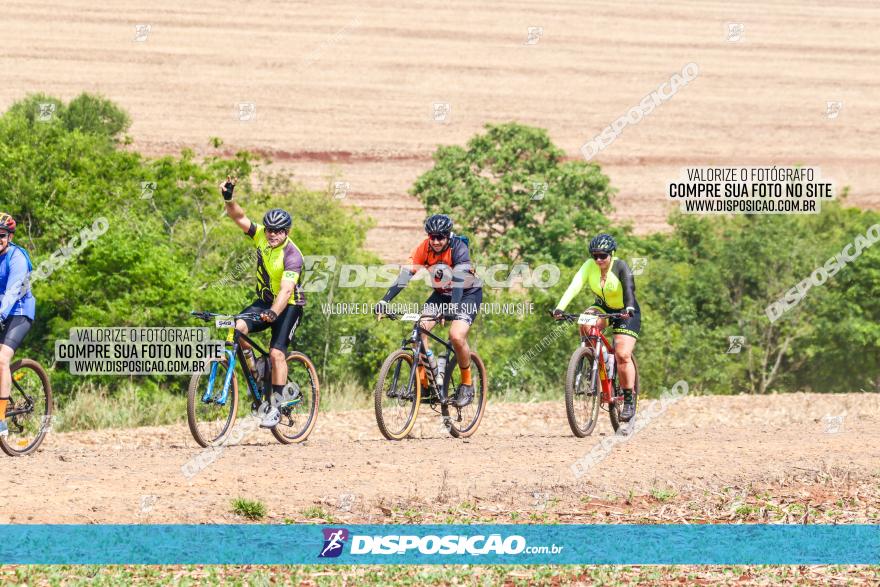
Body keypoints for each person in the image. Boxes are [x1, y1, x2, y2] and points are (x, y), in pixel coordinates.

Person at [220, 177, 306, 428]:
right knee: (238, 328)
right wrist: (228, 197)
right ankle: (257, 376)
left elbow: (286, 289)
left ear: (286, 232)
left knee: (276, 351)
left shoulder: (292, 256)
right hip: (265, 300)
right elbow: (238, 217)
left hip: (289, 305)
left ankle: (276, 407)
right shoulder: (260, 236)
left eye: (278, 231)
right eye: (269, 229)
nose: (272, 234)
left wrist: (273, 313)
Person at [376, 214, 482, 407]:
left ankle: (467, 384)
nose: (435, 241)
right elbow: (405, 275)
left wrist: (453, 309)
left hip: (467, 294)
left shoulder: (459, 249)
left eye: (440, 237)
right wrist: (385, 300)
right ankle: (427, 384)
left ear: (448, 236)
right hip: (441, 295)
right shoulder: (424, 248)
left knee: (456, 336)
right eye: (431, 237)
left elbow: (458, 282)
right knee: (419, 329)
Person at [553, 233, 641, 421]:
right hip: (603, 306)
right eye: (595, 256)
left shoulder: (620, 266)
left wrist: (630, 308)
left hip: (626, 311)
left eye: (603, 255)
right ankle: (594, 360)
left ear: (612, 254)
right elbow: (574, 286)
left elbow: (629, 289)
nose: (599, 260)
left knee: (623, 355)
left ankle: (628, 399)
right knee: (585, 322)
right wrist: (561, 307)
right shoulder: (589, 266)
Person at [0, 212, 36, 438]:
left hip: (19, 312)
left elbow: (12, 292)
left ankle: (1, 420)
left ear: (10, 237)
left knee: (2, 359)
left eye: (1, 235)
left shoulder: (17, 258)